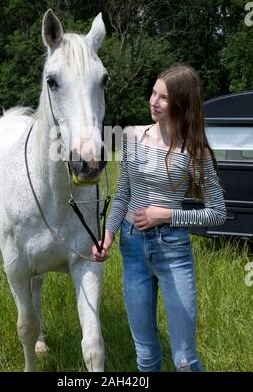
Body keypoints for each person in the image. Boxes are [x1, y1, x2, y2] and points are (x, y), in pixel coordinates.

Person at [92, 64, 226, 372]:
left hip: (173, 251)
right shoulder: (131, 137)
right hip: (132, 248)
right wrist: (107, 238)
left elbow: (217, 213)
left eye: (163, 97)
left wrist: (166, 214)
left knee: (184, 359)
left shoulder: (195, 151)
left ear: (181, 103)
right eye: (153, 93)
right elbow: (123, 194)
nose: (154, 101)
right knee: (146, 355)